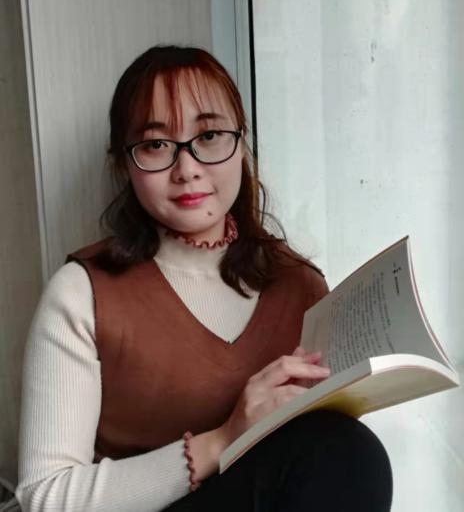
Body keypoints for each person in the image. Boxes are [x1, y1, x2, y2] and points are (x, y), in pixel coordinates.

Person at [15, 45, 393, 512]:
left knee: (349, 451)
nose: (187, 169)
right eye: (156, 145)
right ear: (124, 164)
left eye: (210, 136)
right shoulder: (82, 293)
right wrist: (224, 438)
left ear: (241, 143)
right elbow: (45, 496)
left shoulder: (300, 286)